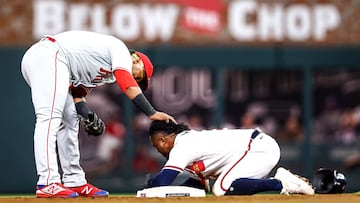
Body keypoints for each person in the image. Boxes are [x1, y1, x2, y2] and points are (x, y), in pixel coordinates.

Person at [20, 31, 175, 198]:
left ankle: (74, 181)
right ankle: (47, 181)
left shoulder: (106, 75)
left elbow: (77, 95)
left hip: (55, 62)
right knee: (49, 118)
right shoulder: (121, 50)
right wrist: (151, 113)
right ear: (136, 59)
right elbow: (128, 85)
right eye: (140, 74)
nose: (138, 79)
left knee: (70, 120)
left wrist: (88, 115)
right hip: (48, 54)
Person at [145, 120, 315, 196]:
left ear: (163, 140)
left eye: (156, 145)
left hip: (258, 148)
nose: (157, 149)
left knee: (221, 189)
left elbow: (163, 180)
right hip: (257, 148)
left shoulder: (182, 144)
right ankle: (281, 182)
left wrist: (148, 188)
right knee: (222, 187)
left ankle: (281, 183)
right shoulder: (188, 143)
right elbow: (197, 185)